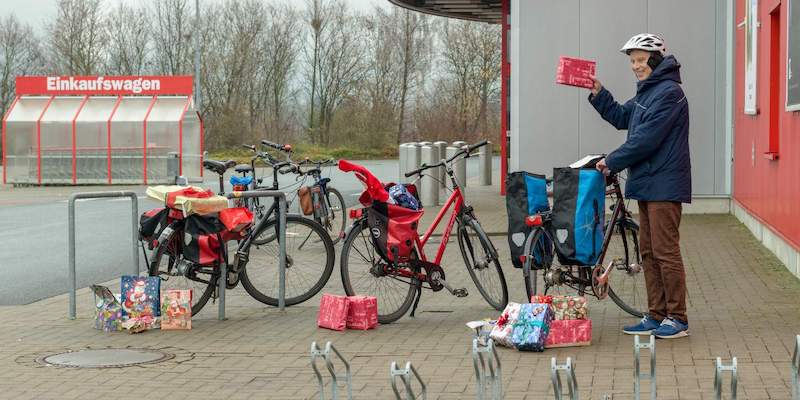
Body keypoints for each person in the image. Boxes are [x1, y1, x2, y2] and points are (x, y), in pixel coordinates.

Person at [588, 33, 691, 339]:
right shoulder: (648, 93)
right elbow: (622, 117)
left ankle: (678, 318)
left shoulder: (669, 93)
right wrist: (599, 93)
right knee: (647, 251)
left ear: (656, 60)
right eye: (632, 61)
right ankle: (656, 314)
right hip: (647, 182)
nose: (635, 66)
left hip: (664, 184)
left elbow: (646, 139)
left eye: (640, 60)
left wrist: (612, 160)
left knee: (665, 251)